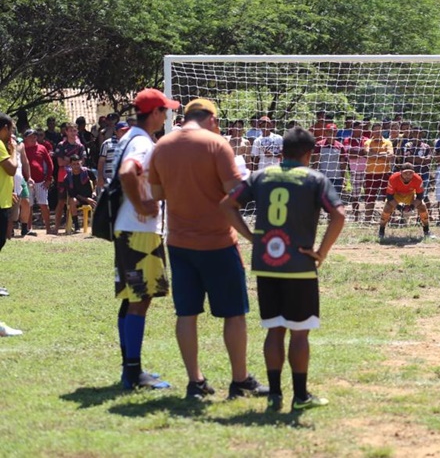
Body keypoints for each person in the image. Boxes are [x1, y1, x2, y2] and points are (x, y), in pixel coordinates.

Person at [149, 96, 268, 400]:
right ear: (212, 119)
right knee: (234, 314)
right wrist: (251, 236)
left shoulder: (162, 146)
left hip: (178, 243)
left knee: (186, 313)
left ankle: (195, 382)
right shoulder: (217, 145)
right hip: (217, 242)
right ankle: (240, 380)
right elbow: (235, 195)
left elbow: (158, 194)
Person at [221, 126, 346, 411]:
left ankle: (275, 393)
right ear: (309, 154)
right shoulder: (315, 179)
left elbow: (227, 205)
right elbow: (338, 214)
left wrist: (252, 237)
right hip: (300, 265)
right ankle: (300, 396)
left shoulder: (260, 176)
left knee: (274, 330)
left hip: (267, 264)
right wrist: (321, 252)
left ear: (281, 151)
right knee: (300, 332)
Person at [111, 90, 174, 390]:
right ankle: (133, 373)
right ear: (155, 113)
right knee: (140, 299)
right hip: (139, 232)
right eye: (165, 111)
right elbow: (127, 172)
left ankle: (130, 368)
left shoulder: (129, 137)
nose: (167, 116)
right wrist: (140, 204)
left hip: (128, 230)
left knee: (131, 298)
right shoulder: (141, 142)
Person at [378, 163, 433, 240]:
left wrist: (412, 207)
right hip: (396, 195)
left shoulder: (418, 179)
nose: (408, 175)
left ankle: (427, 231)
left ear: (414, 173)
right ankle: (381, 232)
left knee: (422, 206)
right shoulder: (393, 178)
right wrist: (399, 207)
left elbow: (420, 197)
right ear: (400, 172)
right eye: (405, 173)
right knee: (387, 208)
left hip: (410, 194)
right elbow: (390, 197)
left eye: (410, 173)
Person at [53, 123, 86, 234]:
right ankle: (56, 228)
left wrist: (69, 160)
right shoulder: (61, 145)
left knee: (74, 199)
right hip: (63, 177)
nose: (73, 133)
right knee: (61, 201)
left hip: (77, 177)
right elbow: (60, 162)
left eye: (74, 131)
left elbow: (82, 162)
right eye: (70, 130)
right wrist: (73, 161)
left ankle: (74, 226)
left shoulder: (80, 146)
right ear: (66, 132)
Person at [0, 113, 17, 297]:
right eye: (11, 128)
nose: (11, 133)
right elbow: (11, 169)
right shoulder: (0, 145)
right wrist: (14, 151)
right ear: (4, 128)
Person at [23, 129, 54, 233]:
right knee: (29, 205)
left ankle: (48, 228)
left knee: (44, 204)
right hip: (27, 180)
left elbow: (50, 164)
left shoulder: (42, 148)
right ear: (25, 138)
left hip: (41, 181)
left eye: (34, 136)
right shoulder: (22, 148)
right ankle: (28, 228)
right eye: (30, 137)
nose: (33, 138)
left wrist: (48, 178)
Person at [363, 122, 394, 224]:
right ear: (372, 131)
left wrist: (375, 154)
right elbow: (368, 155)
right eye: (375, 130)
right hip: (371, 173)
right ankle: (368, 219)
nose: (377, 132)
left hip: (385, 173)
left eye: (379, 130)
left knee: (388, 197)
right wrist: (382, 154)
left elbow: (390, 155)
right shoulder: (368, 142)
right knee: (370, 197)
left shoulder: (388, 142)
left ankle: (388, 219)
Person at [312, 124, 346, 196]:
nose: (332, 133)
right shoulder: (319, 145)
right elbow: (316, 163)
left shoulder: (340, 146)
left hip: (337, 178)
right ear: (325, 132)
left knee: (335, 201)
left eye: (334, 131)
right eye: (329, 131)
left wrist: (343, 178)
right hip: (323, 177)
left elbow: (343, 164)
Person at [343, 121, 367, 221]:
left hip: (368, 170)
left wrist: (357, 152)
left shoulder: (366, 139)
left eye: (362, 127)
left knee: (368, 194)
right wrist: (361, 152)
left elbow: (368, 153)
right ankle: (356, 217)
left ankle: (367, 217)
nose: (361, 129)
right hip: (355, 170)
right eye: (359, 127)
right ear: (353, 128)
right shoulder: (347, 140)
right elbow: (349, 154)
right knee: (355, 195)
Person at [65, 155, 96, 232]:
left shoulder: (87, 172)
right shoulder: (68, 178)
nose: (76, 166)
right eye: (74, 164)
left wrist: (94, 191)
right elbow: (73, 194)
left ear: (81, 163)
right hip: (79, 199)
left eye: (78, 164)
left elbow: (95, 181)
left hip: (91, 196)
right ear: (70, 165)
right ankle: (76, 226)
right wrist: (86, 199)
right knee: (72, 201)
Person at [97, 122, 129, 192]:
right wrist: (100, 177)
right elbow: (101, 161)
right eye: (122, 131)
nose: (125, 133)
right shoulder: (107, 143)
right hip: (108, 179)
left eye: (126, 131)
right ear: (116, 132)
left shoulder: (130, 144)